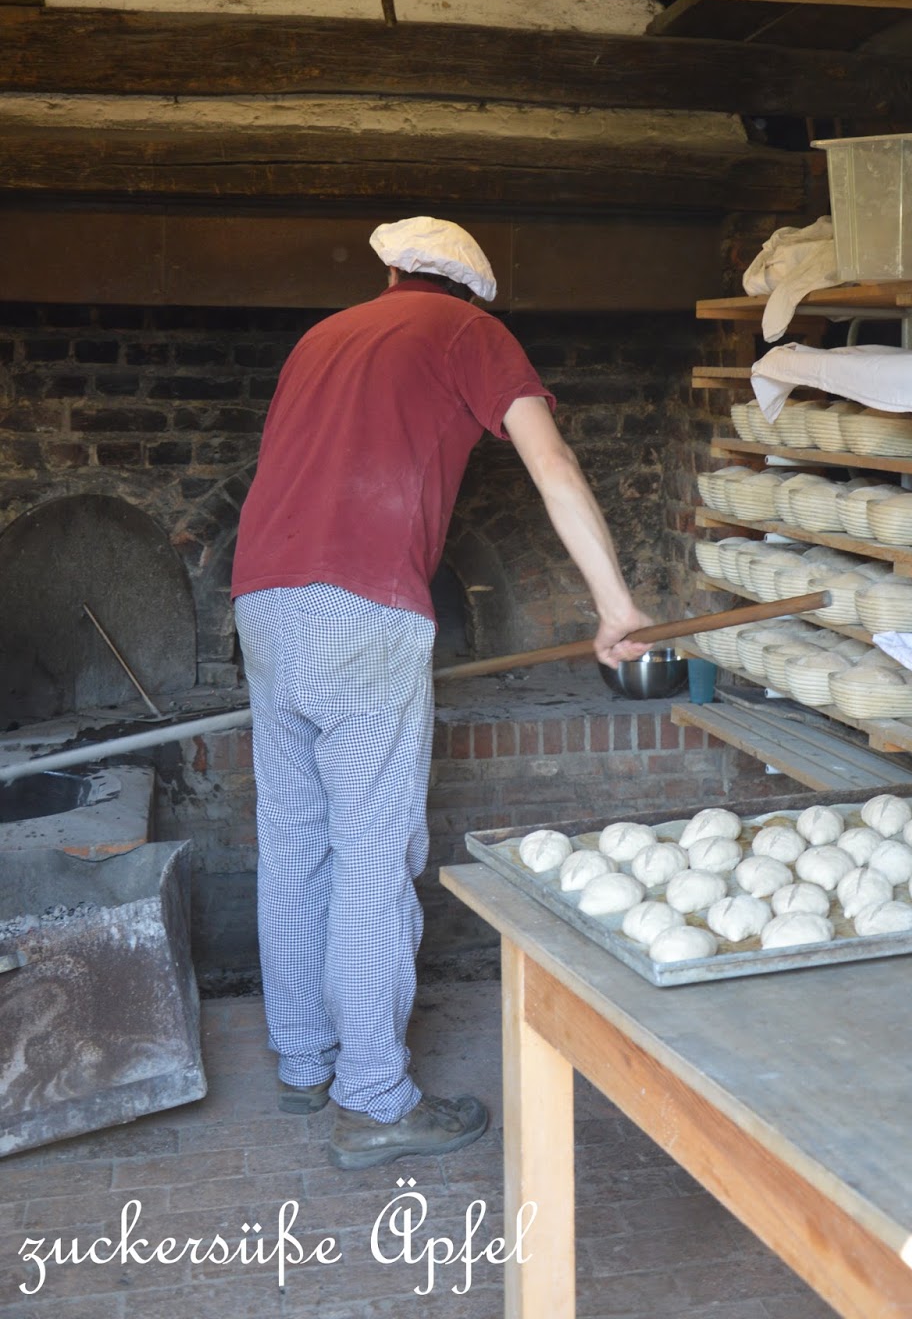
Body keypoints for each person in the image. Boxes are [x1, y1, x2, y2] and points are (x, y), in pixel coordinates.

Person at [231, 216, 651, 1170]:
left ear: (389, 269)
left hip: (263, 601)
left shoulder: (319, 338)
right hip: (362, 608)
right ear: (474, 291)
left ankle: (306, 1063)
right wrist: (616, 606)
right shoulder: (471, 334)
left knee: (295, 840)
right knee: (375, 854)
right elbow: (553, 464)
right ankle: (375, 1099)